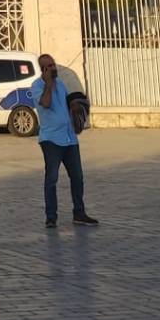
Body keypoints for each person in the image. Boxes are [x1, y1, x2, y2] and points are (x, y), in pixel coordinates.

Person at [32, 53, 99, 229]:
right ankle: (51, 216)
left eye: (53, 65)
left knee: (77, 177)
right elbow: (45, 104)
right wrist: (48, 84)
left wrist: (77, 111)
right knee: (52, 178)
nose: (52, 69)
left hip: (69, 138)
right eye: (47, 67)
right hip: (51, 139)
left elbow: (69, 104)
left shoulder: (62, 85)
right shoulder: (37, 86)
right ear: (42, 70)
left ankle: (79, 212)